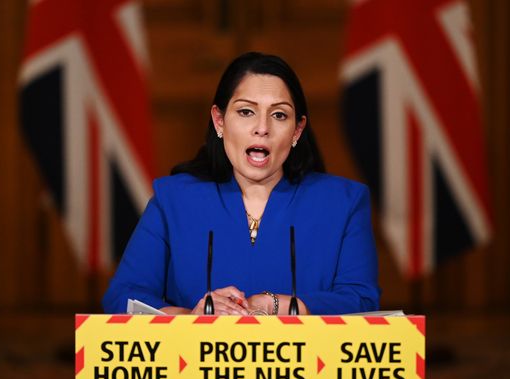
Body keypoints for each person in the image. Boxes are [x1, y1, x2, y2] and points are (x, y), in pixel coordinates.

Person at [102, 52, 379, 316]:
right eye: (246, 112)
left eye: (279, 115)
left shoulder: (344, 202)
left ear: (297, 130)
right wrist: (192, 317)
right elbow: (122, 297)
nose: (262, 127)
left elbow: (362, 300)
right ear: (219, 121)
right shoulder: (172, 200)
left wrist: (274, 305)